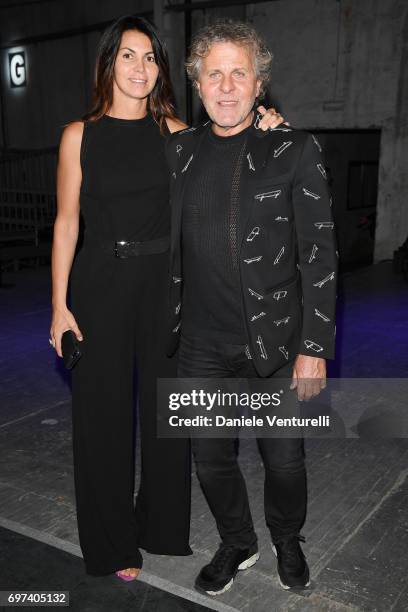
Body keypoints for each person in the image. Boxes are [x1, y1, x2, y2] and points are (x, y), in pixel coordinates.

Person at [49, 15, 284, 580]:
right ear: (109, 63)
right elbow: (65, 223)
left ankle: (159, 527)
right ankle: (112, 546)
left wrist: (267, 125)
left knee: (167, 415)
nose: (140, 67)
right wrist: (59, 307)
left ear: (161, 69)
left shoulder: (179, 134)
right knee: (102, 419)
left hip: (166, 287)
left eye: (150, 57)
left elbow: (235, 150)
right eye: (128, 55)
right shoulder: (79, 135)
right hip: (100, 285)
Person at [166, 20, 337, 595]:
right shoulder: (179, 153)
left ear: (259, 82)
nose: (227, 85)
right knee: (210, 461)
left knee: (284, 462)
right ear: (198, 83)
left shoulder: (294, 148)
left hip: (277, 344)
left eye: (240, 71)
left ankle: (287, 538)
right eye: (214, 73)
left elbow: (319, 256)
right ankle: (238, 541)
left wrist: (314, 348)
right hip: (199, 346)